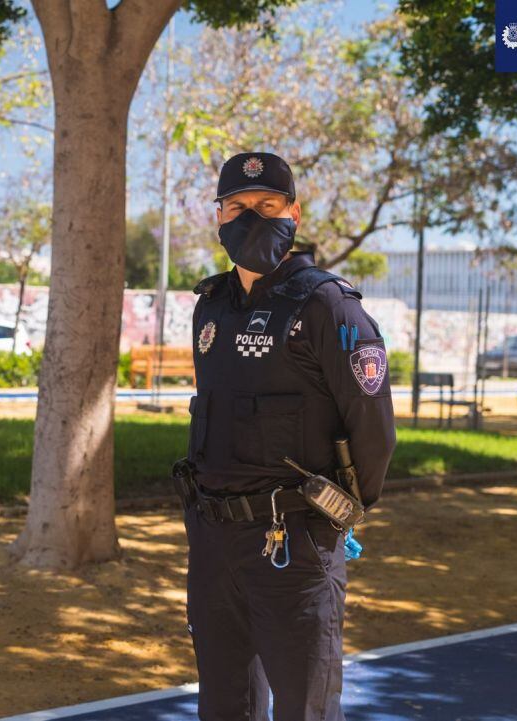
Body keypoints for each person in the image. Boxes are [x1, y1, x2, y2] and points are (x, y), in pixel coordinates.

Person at [178, 152, 396, 721]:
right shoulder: (211, 306)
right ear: (219, 216)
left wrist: (341, 511)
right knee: (224, 705)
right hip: (213, 545)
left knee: (304, 708)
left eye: (267, 207)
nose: (251, 218)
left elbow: (373, 426)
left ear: (294, 214)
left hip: (293, 544)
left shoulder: (326, 303)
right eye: (238, 207)